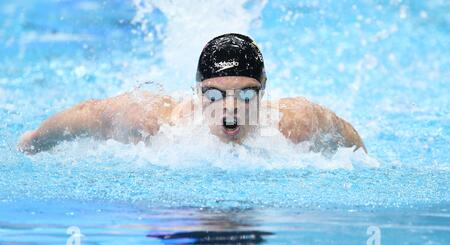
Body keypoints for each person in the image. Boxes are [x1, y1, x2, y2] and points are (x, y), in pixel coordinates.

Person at [18, 33, 366, 155]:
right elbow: (88, 113)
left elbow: (348, 138)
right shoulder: (157, 122)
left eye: (245, 96)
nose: (231, 111)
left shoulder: (295, 123)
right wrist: (32, 142)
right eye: (216, 96)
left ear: (264, 94)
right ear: (198, 93)